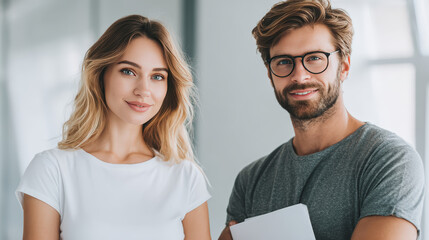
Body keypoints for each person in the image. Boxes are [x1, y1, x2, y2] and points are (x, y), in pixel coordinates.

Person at [219, 0, 424, 239]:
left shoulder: (389, 160)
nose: (300, 76)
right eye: (284, 62)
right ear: (270, 74)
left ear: (344, 66)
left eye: (315, 58)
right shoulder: (251, 180)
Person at [16, 15, 211, 240]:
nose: (144, 90)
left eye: (157, 76)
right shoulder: (52, 170)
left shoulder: (185, 178)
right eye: (129, 71)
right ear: (101, 74)